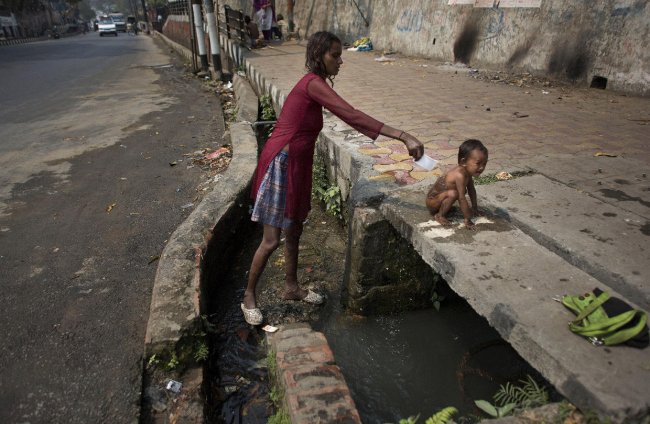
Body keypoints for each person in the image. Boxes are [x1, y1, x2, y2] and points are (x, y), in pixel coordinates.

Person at [241, 31, 425, 325]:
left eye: (340, 55)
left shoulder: (317, 84)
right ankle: (249, 295)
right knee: (271, 239)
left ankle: (291, 287)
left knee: (296, 226)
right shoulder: (313, 84)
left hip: (300, 163)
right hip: (281, 163)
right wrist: (402, 136)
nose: (340, 61)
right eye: (335, 55)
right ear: (319, 56)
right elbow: (350, 114)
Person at [425, 139, 488, 230]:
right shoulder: (459, 175)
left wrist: (475, 208)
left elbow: (472, 190)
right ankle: (439, 215)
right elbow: (461, 198)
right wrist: (467, 219)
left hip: (440, 199)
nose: (482, 168)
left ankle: (444, 209)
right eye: (478, 163)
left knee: (459, 191)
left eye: (484, 164)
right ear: (463, 162)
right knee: (455, 193)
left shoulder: (467, 172)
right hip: (432, 202)